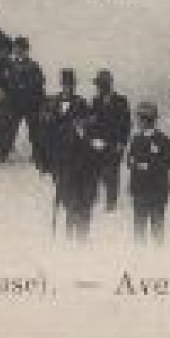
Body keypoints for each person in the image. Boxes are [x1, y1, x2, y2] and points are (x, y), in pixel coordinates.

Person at [126, 102, 170, 245]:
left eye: (139, 119)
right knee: (139, 229)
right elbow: (129, 160)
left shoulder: (164, 141)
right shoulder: (135, 139)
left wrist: (144, 165)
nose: (137, 122)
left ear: (146, 120)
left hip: (157, 192)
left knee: (157, 228)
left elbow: (167, 163)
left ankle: (157, 260)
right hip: (139, 190)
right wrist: (136, 163)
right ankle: (140, 260)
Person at [87, 70, 131, 212]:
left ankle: (111, 202)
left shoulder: (121, 101)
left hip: (114, 144)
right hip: (98, 144)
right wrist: (92, 140)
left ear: (108, 85)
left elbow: (126, 124)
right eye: (98, 85)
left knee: (112, 173)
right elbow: (91, 123)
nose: (99, 88)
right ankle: (93, 198)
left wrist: (122, 143)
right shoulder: (95, 101)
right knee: (95, 171)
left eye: (101, 85)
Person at [53, 112, 100, 243]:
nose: (79, 122)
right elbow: (57, 156)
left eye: (82, 119)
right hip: (70, 178)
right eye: (76, 119)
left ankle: (82, 239)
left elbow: (99, 156)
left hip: (88, 179)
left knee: (85, 209)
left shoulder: (94, 133)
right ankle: (69, 238)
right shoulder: (63, 134)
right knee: (71, 208)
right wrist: (57, 174)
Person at [0, 38, 46, 165]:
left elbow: (40, 84)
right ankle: (4, 153)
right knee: (9, 129)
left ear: (26, 51)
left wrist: (39, 102)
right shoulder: (9, 66)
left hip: (31, 103)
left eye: (22, 50)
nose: (19, 52)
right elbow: (3, 84)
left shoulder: (33, 66)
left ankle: (37, 154)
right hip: (14, 103)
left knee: (34, 131)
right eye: (17, 49)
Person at [40, 69, 88, 180]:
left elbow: (85, 123)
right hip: (56, 145)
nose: (68, 88)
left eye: (70, 85)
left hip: (73, 146)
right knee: (56, 175)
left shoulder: (80, 102)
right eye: (66, 84)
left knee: (70, 176)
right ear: (62, 85)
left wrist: (80, 123)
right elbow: (44, 122)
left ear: (74, 85)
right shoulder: (52, 101)